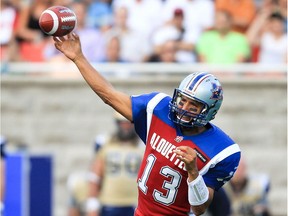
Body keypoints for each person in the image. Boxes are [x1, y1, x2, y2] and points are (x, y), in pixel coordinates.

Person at [53, 33, 241, 216]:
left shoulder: (223, 150)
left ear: (209, 110)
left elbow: (199, 209)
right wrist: (78, 58)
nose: (184, 108)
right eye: (182, 100)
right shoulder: (158, 108)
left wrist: (193, 172)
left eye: (193, 105)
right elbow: (109, 95)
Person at [86, 112, 143, 216]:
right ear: (117, 123)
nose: (125, 126)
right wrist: (92, 204)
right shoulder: (105, 142)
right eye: (122, 123)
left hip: (135, 202)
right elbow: (95, 176)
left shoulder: (143, 144)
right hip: (110, 201)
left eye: (129, 123)